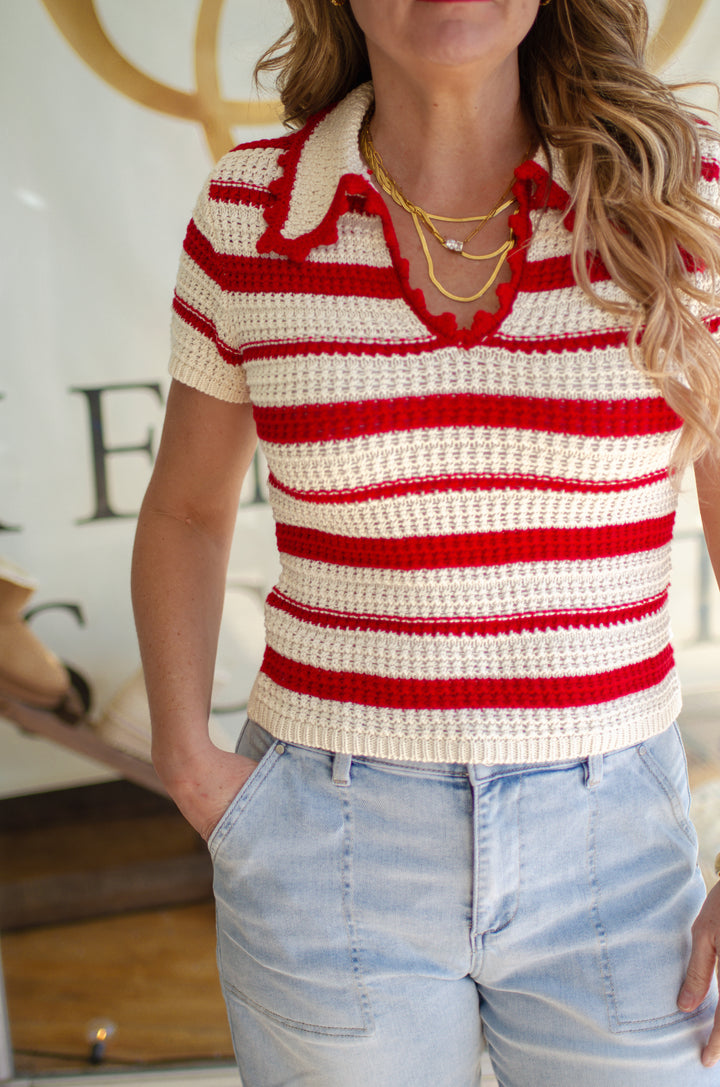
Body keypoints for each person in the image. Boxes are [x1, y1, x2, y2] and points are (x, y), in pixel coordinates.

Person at [131, 0, 720, 1082]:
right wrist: (190, 761)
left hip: (616, 845)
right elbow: (186, 508)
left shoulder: (681, 201)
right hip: (327, 832)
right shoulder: (251, 211)